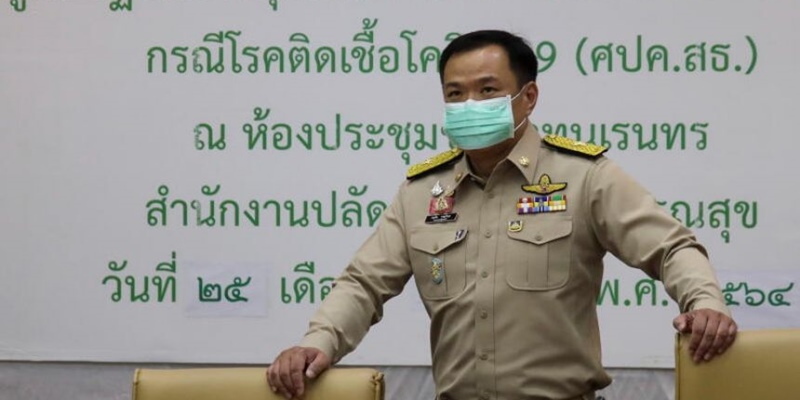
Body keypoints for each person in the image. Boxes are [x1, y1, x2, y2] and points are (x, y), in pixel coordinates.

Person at [267, 30, 737, 400]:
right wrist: (317, 343)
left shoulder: (584, 176)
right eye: (455, 94)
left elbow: (672, 248)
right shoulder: (421, 192)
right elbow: (363, 284)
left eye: (487, 90)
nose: (469, 105)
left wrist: (705, 304)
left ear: (528, 97)